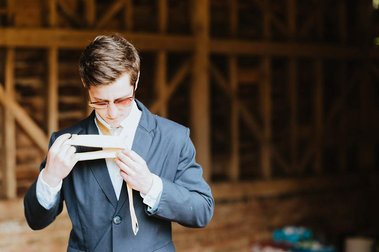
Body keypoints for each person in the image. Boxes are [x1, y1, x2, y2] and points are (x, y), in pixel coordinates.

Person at [24, 34, 214, 252]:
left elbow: (202, 211)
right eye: (100, 102)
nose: (112, 112)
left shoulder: (174, 137)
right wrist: (50, 177)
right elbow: (35, 220)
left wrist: (151, 185)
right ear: (86, 85)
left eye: (122, 100)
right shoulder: (66, 142)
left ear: (137, 80)